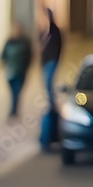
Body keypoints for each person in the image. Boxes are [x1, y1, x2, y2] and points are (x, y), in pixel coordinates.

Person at [39, 8, 63, 151]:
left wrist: (52, 59)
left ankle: (51, 102)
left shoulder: (54, 31)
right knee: (47, 85)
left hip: (51, 61)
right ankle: (50, 102)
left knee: (49, 85)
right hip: (46, 62)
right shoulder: (43, 31)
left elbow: (55, 47)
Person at [1, 23, 32, 118]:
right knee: (13, 92)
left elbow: (29, 57)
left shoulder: (25, 43)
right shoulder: (9, 42)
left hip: (20, 72)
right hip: (10, 72)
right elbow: (3, 55)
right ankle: (13, 110)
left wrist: (26, 68)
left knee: (16, 92)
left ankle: (13, 110)